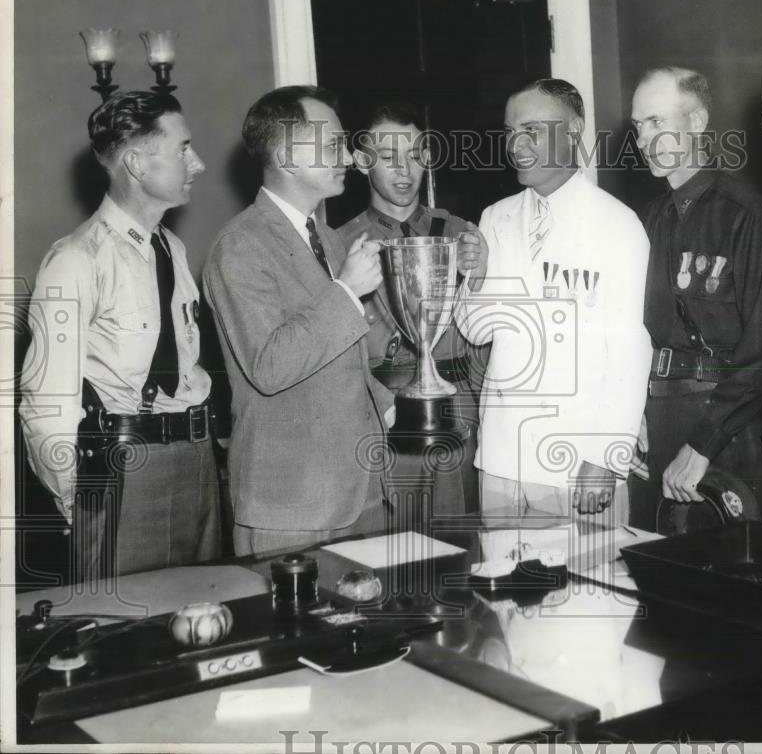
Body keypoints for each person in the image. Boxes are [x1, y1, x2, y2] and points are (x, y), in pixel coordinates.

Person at [19, 91, 220, 578]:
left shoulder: (170, 247)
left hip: (197, 462)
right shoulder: (76, 260)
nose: (199, 163)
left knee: (210, 611)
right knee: (128, 636)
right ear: (135, 162)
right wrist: (85, 506)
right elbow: (46, 404)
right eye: (182, 148)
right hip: (122, 474)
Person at [203, 85, 395, 556]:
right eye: (333, 145)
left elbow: (339, 358)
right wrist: (347, 291)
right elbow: (269, 365)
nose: (348, 157)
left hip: (360, 492)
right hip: (292, 507)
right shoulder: (239, 246)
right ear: (287, 159)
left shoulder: (328, 240)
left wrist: (385, 404)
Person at [456, 78, 651, 525]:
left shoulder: (617, 224)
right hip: (503, 455)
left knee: (589, 589)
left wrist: (605, 455)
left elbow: (629, 349)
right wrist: (479, 274)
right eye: (510, 132)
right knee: (504, 588)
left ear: (575, 129)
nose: (517, 145)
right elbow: (475, 329)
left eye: (533, 130)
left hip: (577, 462)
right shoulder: (496, 217)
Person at [627, 67, 762, 533]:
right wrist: (632, 412)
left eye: (656, 122)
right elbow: (634, 330)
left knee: (726, 574)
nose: (644, 139)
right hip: (656, 414)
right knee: (653, 566)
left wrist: (703, 445)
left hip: (722, 422)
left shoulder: (746, 213)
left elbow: (760, 347)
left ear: (696, 122)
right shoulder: (645, 219)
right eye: (638, 127)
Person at [339, 101, 487, 523]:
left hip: (459, 409)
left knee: (463, 540)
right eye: (388, 158)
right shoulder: (341, 246)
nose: (405, 171)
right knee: (398, 549)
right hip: (383, 413)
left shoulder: (463, 235)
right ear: (364, 162)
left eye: (416, 156)